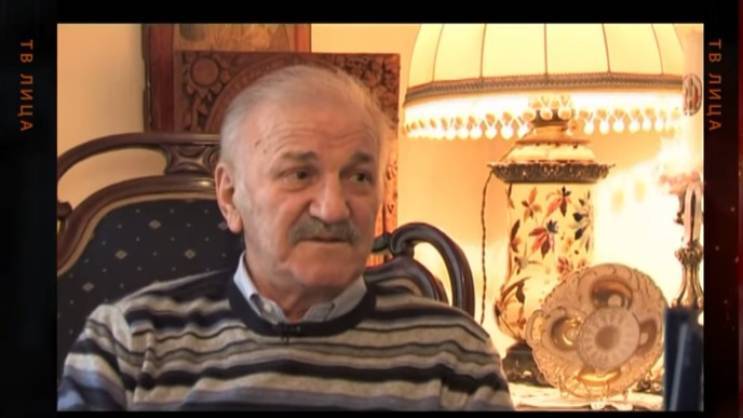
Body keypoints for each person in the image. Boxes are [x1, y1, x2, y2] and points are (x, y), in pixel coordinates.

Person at [57, 65, 514, 411]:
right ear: (230, 195)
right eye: (299, 174)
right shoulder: (128, 344)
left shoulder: (455, 356)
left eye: (358, 176)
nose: (333, 209)